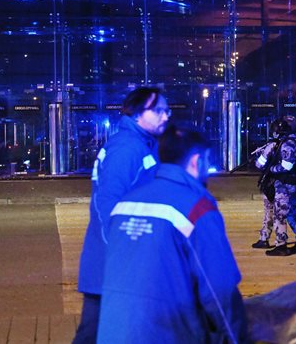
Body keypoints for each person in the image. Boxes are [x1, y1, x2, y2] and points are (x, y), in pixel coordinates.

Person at [97, 125, 248, 343]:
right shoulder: (197, 209)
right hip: (166, 334)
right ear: (197, 161)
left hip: (112, 333)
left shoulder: (124, 205)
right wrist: (237, 338)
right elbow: (219, 290)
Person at [74, 87, 170, 344]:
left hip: (121, 264)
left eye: (167, 110)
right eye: (158, 110)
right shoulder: (128, 149)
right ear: (137, 114)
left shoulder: (142, 145)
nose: (165, 116)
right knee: (96, 333)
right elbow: (107, 205)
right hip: (117, 266)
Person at [254, 115, 296, 256]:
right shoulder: (292, 142)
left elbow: (286, 166)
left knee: (280, 215)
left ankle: (281, 245)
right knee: (293, 212)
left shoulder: (287, 144)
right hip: (292, 183)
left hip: (284, 184)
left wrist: (271, 168)